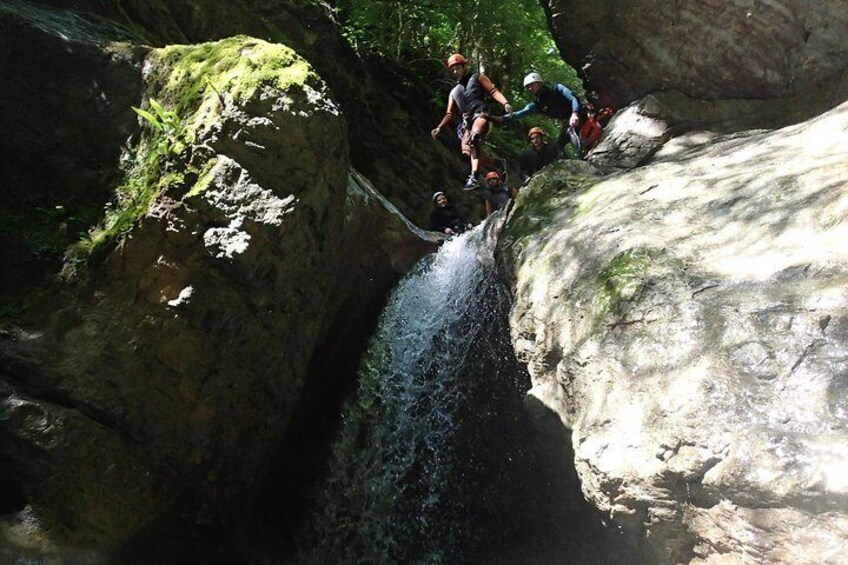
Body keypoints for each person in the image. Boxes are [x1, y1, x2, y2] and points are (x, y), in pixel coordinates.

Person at [431, 53, 513, 190]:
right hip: (467, 124)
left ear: (464, 66)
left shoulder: (477, 77)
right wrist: (439, 128)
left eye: (458, 67)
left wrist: (505, 103)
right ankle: (497, 163)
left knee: (474, 138)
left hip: (482, 116)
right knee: (466, 155)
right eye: (453, 69)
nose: (456, 71)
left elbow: (493, 91)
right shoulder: (454, 92)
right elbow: (449, 114)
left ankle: (474, 176)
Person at [505, 72, 582, 158]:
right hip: (568, 121)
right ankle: (569, 163)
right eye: (528, 87)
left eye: (531, 85)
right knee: (557, 145)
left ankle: (578, 156)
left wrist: (574, 113)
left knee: (570, 130)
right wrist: (501, 118)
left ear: (539, 83)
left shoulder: (557, 88)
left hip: (578, 115)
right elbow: (520, 113)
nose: (530, 88)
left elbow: (573, 99)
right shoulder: (538, 104)